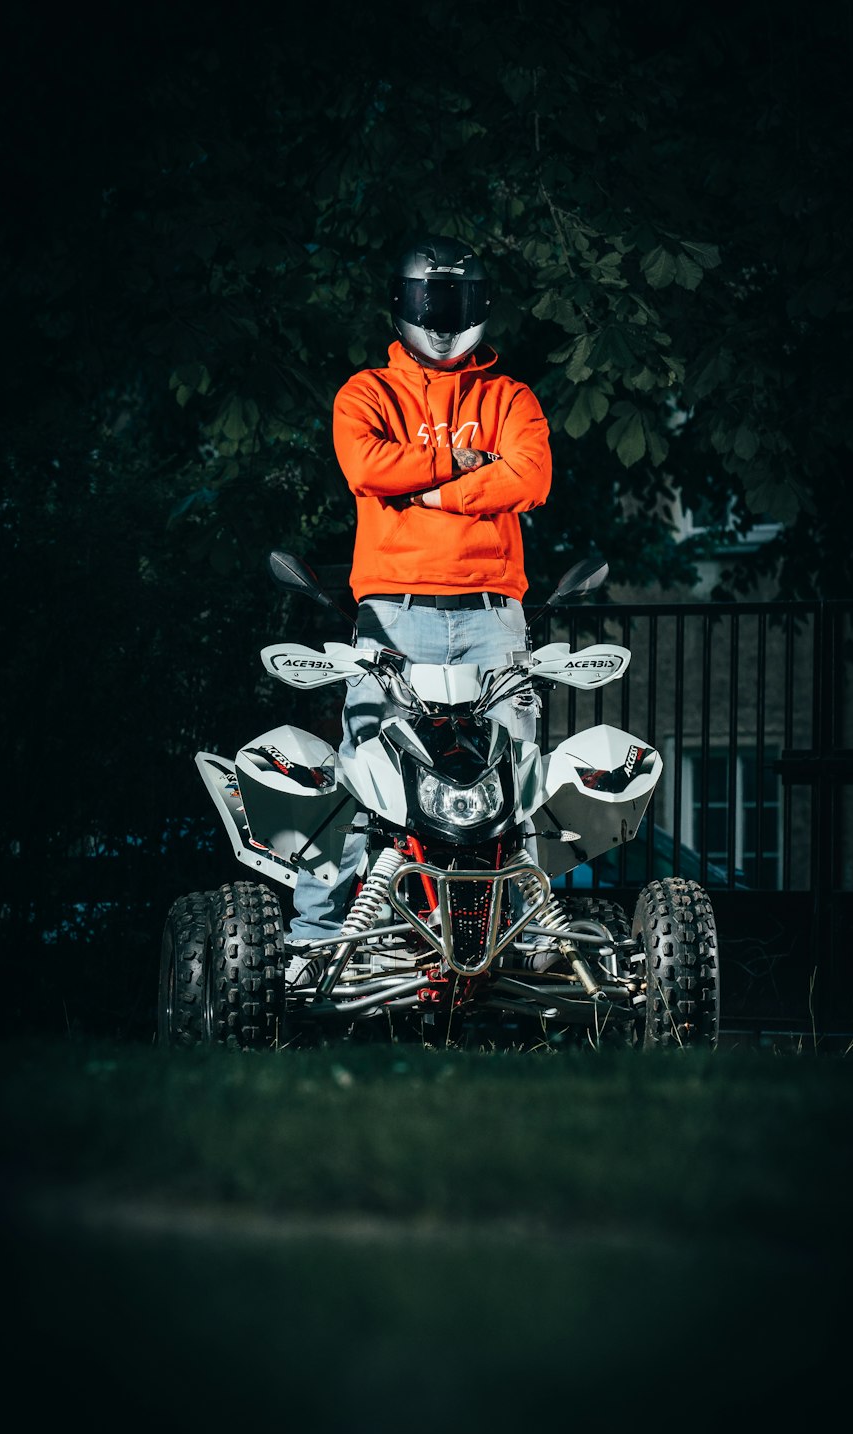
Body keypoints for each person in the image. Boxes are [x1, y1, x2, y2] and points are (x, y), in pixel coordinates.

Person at [285, 233, 553, 982]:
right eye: (428, 300)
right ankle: (316, 938)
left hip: (492, 610)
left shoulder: (511, 398)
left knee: (516, 776)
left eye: (457, 302)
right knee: (362, 770)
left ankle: (529, 934)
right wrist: (467, 464)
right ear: (401, 304)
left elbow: (529, 479)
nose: (441, 317)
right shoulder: (364, 392)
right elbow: (367, 465)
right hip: (393, 612)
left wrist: (430, 490)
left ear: (481, 308)